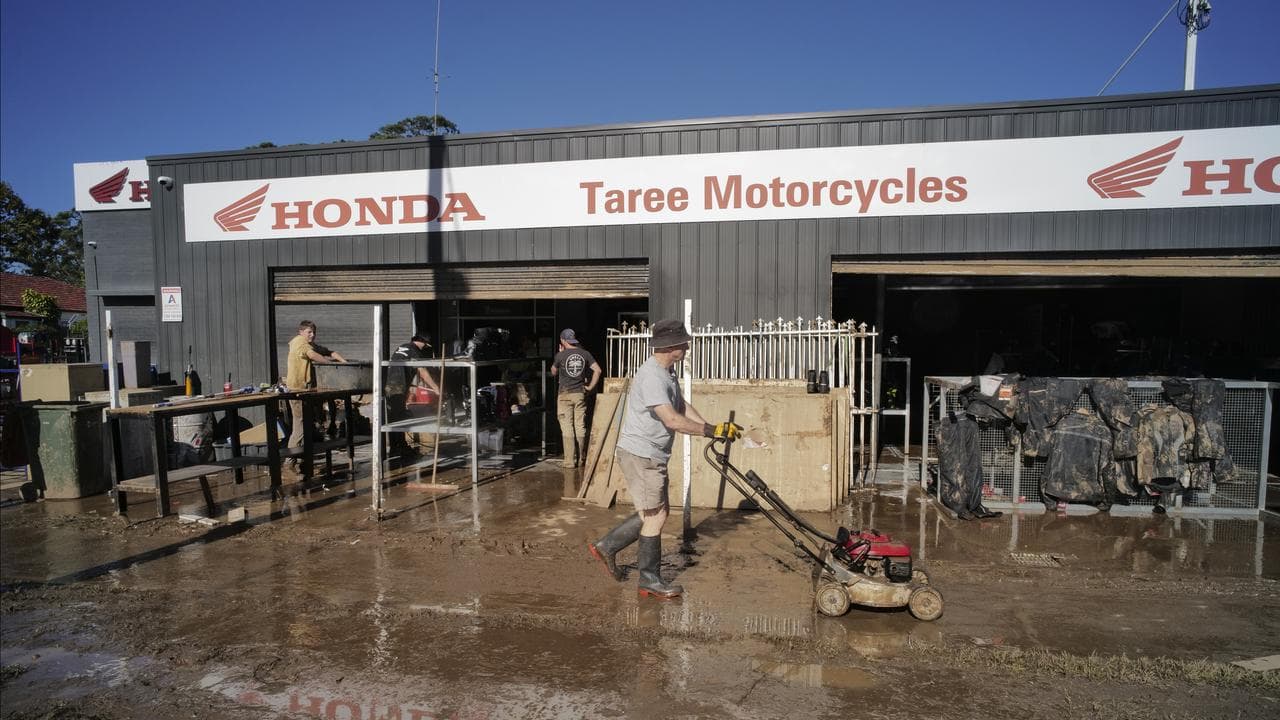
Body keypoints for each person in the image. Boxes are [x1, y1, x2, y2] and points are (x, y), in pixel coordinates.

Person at [587, 319, 742, 599]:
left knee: (656, 512)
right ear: (669, 346)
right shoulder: (652, 377)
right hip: (642, 454)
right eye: (683, 342)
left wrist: (713, 429)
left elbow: (681, 406)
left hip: (651, 453)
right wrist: (709, 430)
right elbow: (671, 420)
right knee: (655, 515)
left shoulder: (666, 373)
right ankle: (649, 581)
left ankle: (607, 546)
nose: (687, 345)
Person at [284, 320, 345, 462]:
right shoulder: (299, 342)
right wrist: (330, 364)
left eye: (314, 332)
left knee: (307, 423)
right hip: (297, 390)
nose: (312, 335)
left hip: (306, 390)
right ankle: (290, 460)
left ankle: (302, 457)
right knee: (300, 425)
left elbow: (329, 352)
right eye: (309, 332)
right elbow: (312, 355)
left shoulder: (310, 344)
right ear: (301, 332)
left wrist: (344, 362)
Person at [550, 328, 601, 468]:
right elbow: (598, 370)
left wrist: (559, 355)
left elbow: (553, 372)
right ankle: (581, 458)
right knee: (580, 426)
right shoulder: (585, 354)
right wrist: (590, 387)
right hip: (580, 394)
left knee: (567, 427)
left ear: (563, 341)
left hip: (564, 395)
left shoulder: (560, 356)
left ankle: (569, 461)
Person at [385, 334, 441, 457]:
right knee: (398, 418)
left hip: (390, 384)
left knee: (394, 417)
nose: (425, 348)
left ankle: (397, 447)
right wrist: (436, 388)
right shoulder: (415, 351)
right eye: (425, 345)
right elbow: (422, 371)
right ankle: (399, 447)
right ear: (423, 342)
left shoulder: (403, 347)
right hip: (398, 386)